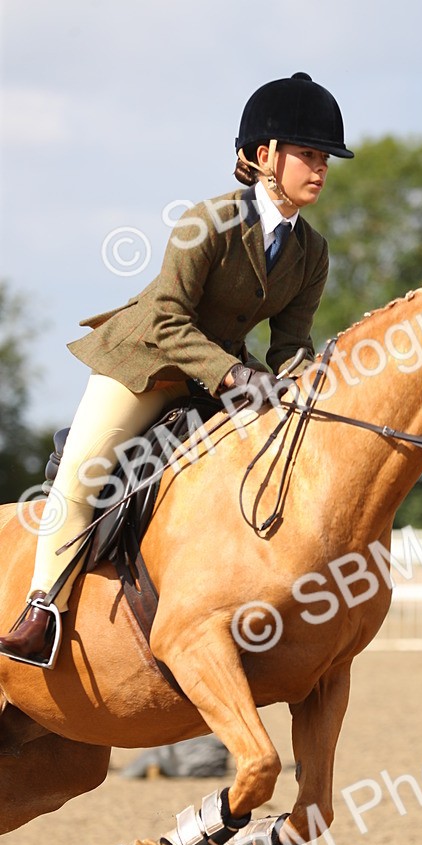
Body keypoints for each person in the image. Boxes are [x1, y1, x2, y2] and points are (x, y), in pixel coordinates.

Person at [0, 71, 353, 668]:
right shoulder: (208, 221)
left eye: (325, 158)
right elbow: (166, 316)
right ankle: (41, 611)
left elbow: (290, 344)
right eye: (309, 154)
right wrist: (234, 377)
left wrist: (311, 386)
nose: (320, 168)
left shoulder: (311, 251)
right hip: (144, 362)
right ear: (265, 156)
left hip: (215, 372)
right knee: (84, 471)